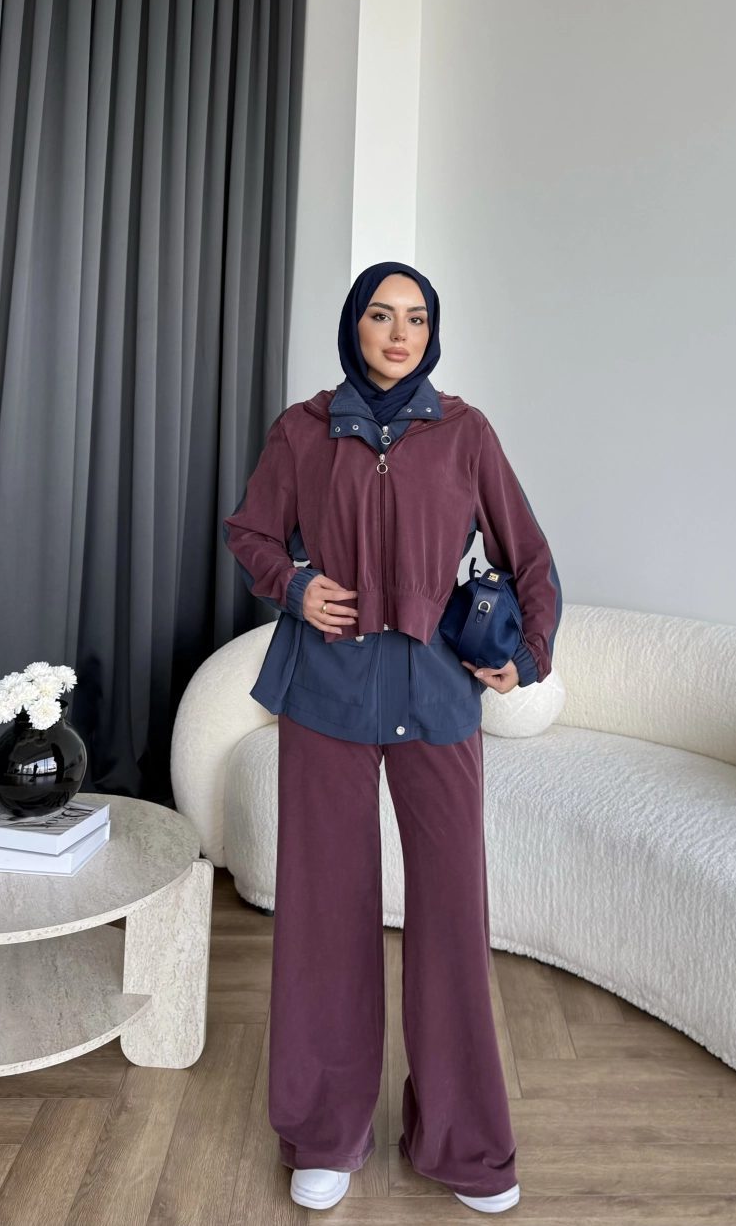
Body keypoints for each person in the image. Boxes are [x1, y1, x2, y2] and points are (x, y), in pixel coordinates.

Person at [223, 260, 562, 1214]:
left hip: (438, 693)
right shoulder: (302, 429)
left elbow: (529, 552)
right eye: (381, 314)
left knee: (452, 914)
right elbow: (250, 532)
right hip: (326, 691)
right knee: (325, 912)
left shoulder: (465, 431)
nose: (399, 332)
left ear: (432, 331)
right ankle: (324, 1131)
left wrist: (527, 653)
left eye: (416, 317)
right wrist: (294, 585)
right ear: (355, 326)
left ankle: (463, 1141)